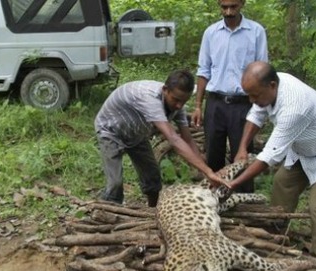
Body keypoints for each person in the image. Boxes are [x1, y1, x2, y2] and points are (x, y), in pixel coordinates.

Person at [226, 61, 316, 261]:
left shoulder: (294, 107)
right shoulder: (270, 87)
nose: (252, 100)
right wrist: (242, 148)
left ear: (272, 85)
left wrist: (234, 182)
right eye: (249, 96)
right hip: (304, 150)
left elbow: (269, 155)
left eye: (255, 96)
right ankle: (276, 241)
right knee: (282, 184)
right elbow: (256, 115)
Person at [95, 69, 225, 207]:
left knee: (153, 178)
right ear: (165, 90)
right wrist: (208, 172)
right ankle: (108, 213)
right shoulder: (150, 99)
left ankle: (152, 212)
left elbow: (188, 139)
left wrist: (205, 169)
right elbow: (173, 139)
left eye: (183, 101)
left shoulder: (178, 105)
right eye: (175, 100)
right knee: (115, 183)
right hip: (110, 130)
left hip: (136, 133)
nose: (179, 105)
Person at [192, 0, 268, 193]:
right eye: (224, 7)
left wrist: (261, 107)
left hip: (243, 104)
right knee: (213, 154)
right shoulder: (211, 33)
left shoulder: (256, 32)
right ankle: (214, 197)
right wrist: (198, 105)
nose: (228, 11)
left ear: (242, 3)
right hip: (215, 102)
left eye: (233, 7)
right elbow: (203, 71)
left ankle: (244, 202)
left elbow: (262, 70)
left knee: (242, 155)